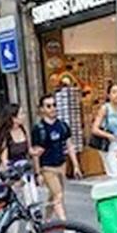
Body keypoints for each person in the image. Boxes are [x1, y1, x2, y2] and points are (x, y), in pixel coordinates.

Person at [31, 94, 83, 226]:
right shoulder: (39, 129)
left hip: (61, 165)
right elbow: (36, 153)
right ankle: (64, 224)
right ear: (42, 109)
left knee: (53, 194)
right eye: (48, 106)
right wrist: (38, 173)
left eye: (54, 105)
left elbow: (69, 146)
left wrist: (76, 165)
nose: (53, 108)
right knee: (58, 194)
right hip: (47, 167)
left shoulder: (63, 125)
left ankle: (46, 220)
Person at [0, 103, 39, 233]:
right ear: (13, 118)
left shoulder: (23, 130)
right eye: (21, 114)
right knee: (14, 203)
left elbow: (29, 150)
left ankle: (33, 229)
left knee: (33, 200)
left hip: (25, 171)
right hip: (13, 174)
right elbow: (4, 159)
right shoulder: (6, 135)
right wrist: (11, 175)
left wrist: (36, 153)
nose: (24, 116)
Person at [90, 83, 117, 179]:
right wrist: (108, 135)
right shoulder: (105, 108)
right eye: (114, 92)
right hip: (108, 145)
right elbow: (94, 129)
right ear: (109, 95)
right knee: (115, 172)